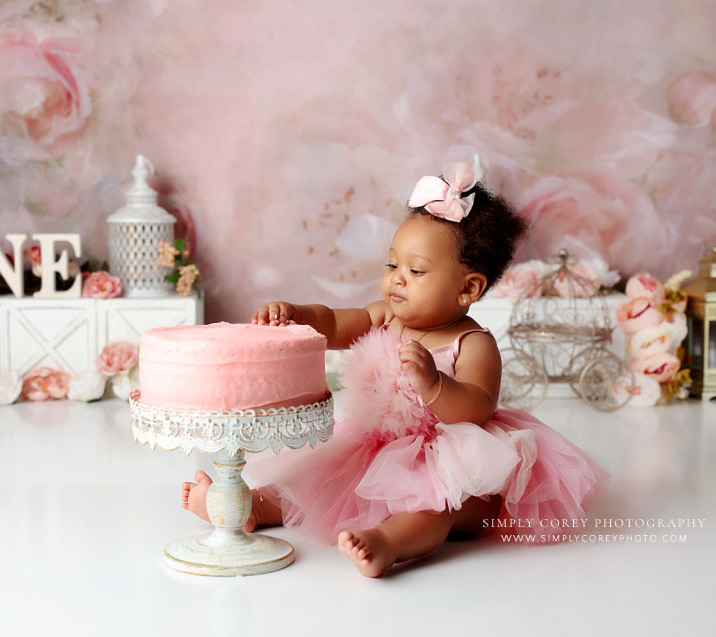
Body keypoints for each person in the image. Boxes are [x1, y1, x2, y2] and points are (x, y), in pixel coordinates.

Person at [180, 156, 610, 577]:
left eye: (416, 270)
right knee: (314, 481)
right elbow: (334, 321)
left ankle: (389, 543)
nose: (397, 278)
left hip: (451, 463)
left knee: (434, 509)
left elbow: (476, 409)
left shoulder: (473, 343)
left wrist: (434, 382)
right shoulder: (386, 315)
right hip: (375, 448)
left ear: (468, 288)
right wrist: (297, 313)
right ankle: (248, 507)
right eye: (392, 264)